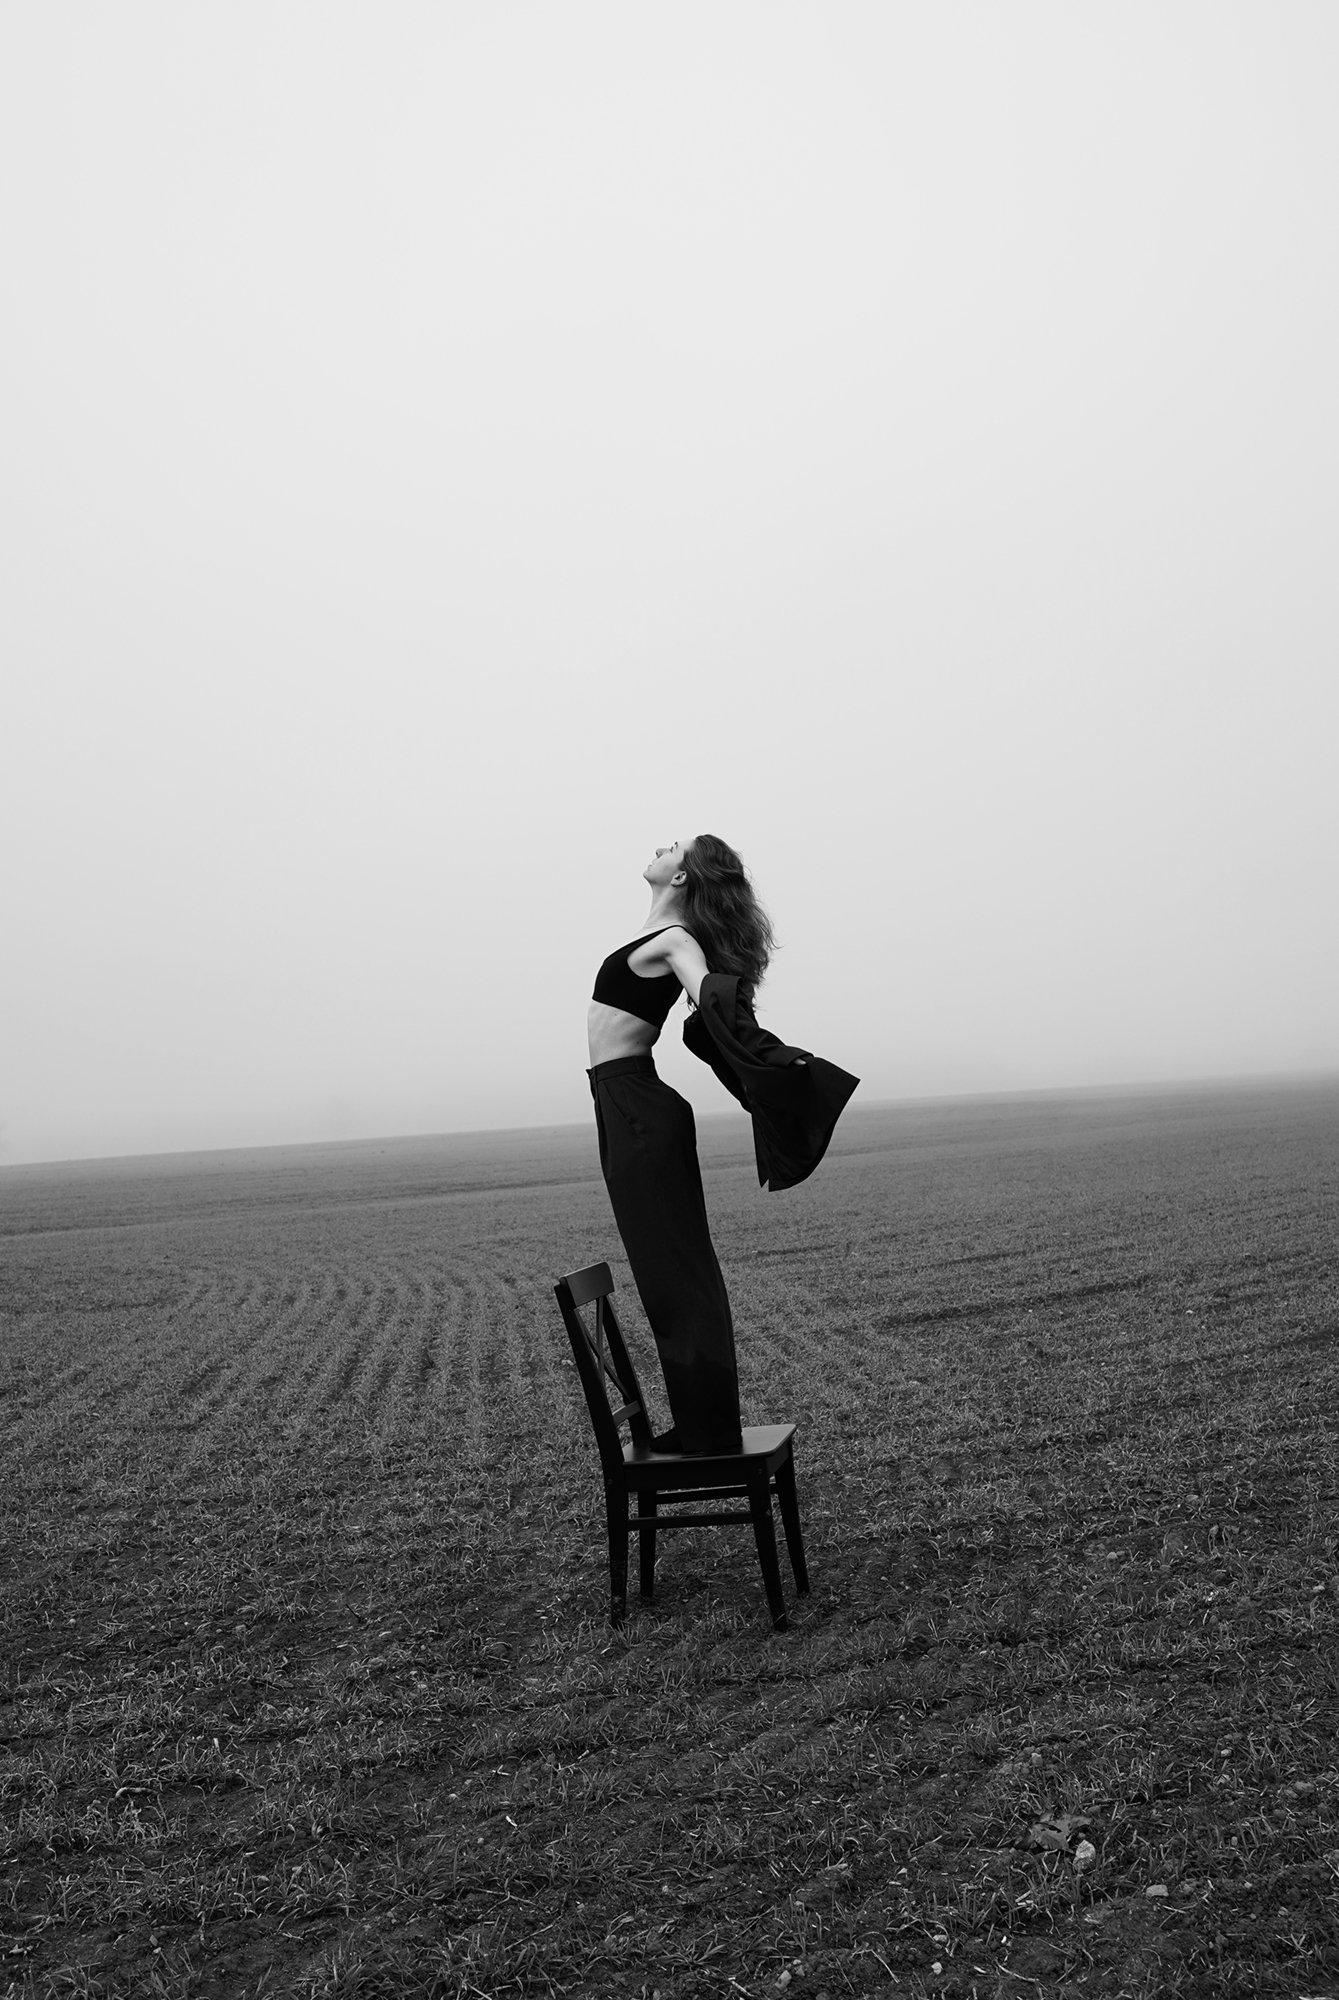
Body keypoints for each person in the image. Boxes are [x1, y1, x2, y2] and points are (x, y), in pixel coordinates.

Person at [587, 835, 858, 1456]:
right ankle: (703, 1420)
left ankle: (707, 1428)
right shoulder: (655, 937)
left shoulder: (676, 942)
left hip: (635, 1107)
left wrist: (777, 1063)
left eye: (673, 846)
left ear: (682, 878)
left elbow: (713, 1002)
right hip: (621, 1105)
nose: (660, 845)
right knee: (667, 1267)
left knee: (674, 1267)